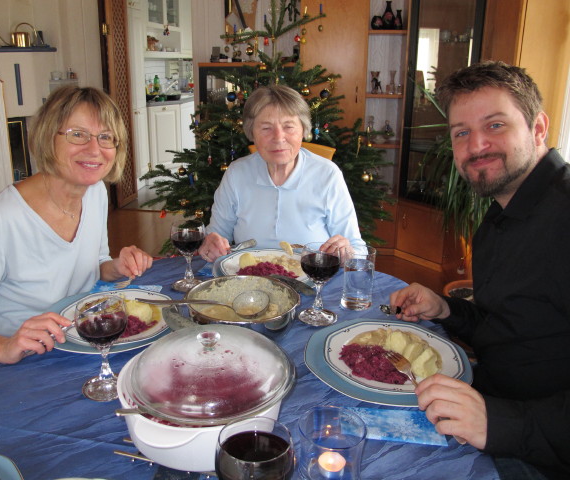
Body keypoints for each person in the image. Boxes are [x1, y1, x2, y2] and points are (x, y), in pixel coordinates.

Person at [389, 62, 570, 479]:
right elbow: (507, 327)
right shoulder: (501, 217)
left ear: (538, 128)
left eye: (495, 125)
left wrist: (498, 424)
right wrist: (447, 310)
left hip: (535, 453)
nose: (477, 146)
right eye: (461, 133)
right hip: (488, 403)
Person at [0, 86, 153, 384]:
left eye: (105, 137)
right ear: (48, 137)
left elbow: (93, 261)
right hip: (9, 371)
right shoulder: (0, 218)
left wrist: (115, 266)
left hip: (74, 348)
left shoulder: (95, 193)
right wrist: (4, 346)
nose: (94, 148)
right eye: (77, 134)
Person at [199, 84, 366, 262]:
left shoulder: (327, 174)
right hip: (251, 280)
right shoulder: (237, 173)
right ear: (251, 133)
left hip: (311, 280)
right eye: (266, 128)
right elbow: (216, 235)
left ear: (303, 130)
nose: (278, 137)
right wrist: (211, 244)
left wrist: (346, 252)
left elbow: (358, 248)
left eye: (289, 126)